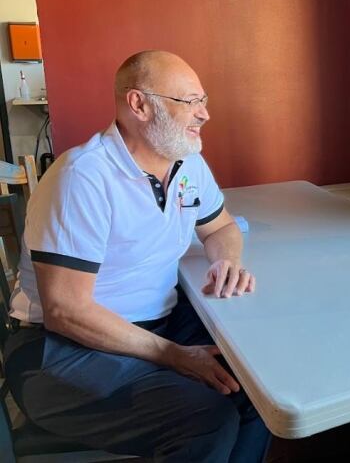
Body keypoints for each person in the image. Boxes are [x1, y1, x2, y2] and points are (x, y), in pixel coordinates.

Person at [3, 51, 271, 461]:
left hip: (154, 324)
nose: (205, 115)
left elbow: (221, 227)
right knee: (207, 421)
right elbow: (66, 311)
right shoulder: (83, 177)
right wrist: (175, 357)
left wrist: (226, 260)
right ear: (139, 104)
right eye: (190, 102)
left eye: (204, 101)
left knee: (257, 388)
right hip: (58, 349)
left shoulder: (188, 165)